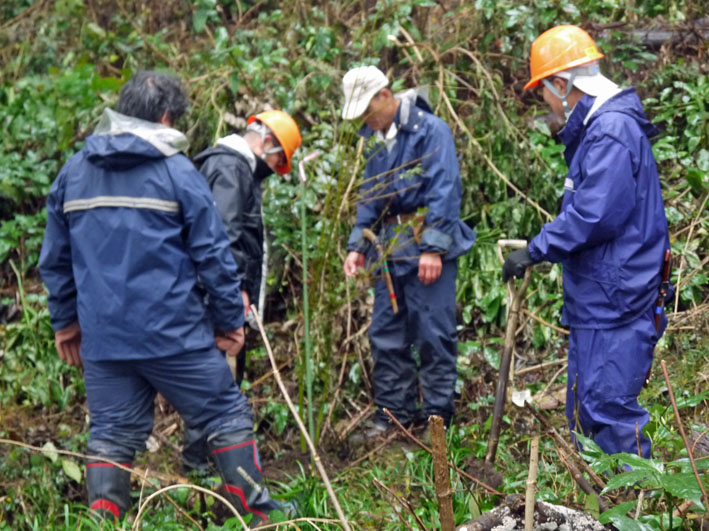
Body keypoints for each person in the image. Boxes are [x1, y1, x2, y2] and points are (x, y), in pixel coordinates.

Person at [39, 71, 284, 524]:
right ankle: (258, 516)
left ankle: (104, 521)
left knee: (111, 434)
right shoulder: (177, 173)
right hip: (175, 335)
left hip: (105, 338)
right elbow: (213, 255)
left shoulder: (73, 173)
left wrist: (65, 322)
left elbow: (55, 260)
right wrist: (230, 320)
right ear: (168, 116)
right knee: (225, 413)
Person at [502, 25, 671, 458]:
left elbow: (593, 215)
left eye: (545, 92)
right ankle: (597, 510)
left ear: (562, 85)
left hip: (616, 298)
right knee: (585, 410)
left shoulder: (610, 131)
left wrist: (534, 249)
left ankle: (635, 511)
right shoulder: (601, 129)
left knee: (606, 410)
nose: (547, 104)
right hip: (601, 296)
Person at [341, 65, 476, 440]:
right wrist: (357, 246)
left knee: (433, 332)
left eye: (368, 110)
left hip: (423, 249)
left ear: (385, 95)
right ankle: (393, 416)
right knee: (386, 333)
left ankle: (437, 419)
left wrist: (433, 248)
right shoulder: (372, 139)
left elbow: (444, 190)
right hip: (387, 251)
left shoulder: (430, 130)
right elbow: (369, 197)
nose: (366, 121)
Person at [181, 110, 301, 473]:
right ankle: (203, 471)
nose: (275, 167)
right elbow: (224, 238)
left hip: (222, 299)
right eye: (278, 160)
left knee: (222, 381)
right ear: (267, 141)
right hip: (218, 303)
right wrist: (232, 298)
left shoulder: (234, 169)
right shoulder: (229, 169)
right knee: (217, 383)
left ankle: (215, 468)